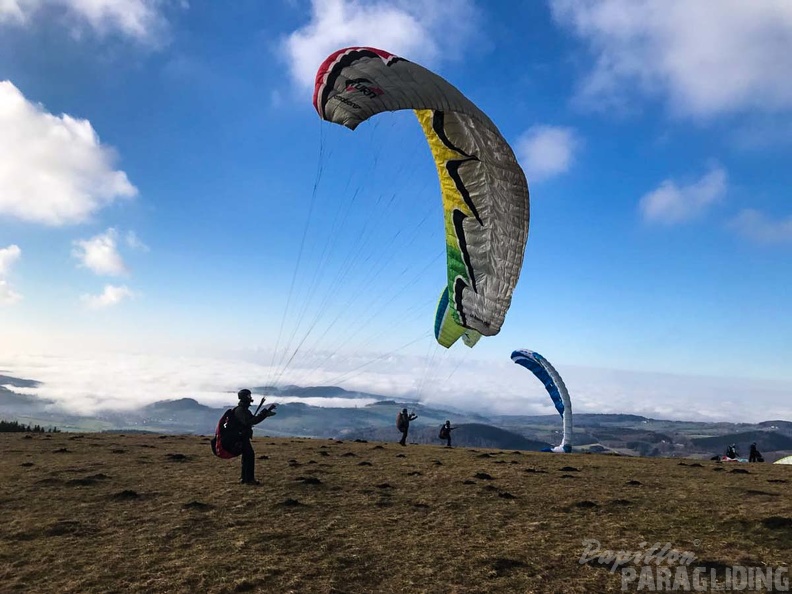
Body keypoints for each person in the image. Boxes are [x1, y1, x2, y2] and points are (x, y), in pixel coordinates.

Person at [234, 389, 276, 485]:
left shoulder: (243, 410)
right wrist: (264, 414)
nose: (250, 398)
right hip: (241, 437)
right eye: (249, 396)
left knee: (247, 456)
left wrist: (264, 413)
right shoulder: (241, 410)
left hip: (242, 436)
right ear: (245, 397)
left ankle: (245, 478)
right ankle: (249, 480)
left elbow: (252, 420)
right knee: (249, 456)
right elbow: (251, 421)